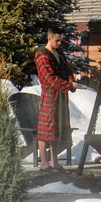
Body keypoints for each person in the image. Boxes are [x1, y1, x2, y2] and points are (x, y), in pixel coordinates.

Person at [33, 27, 80, 170]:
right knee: (45, 129)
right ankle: (44, 163)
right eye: (57, 40)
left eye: (61, 40)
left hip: (60, 95)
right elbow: (49, 78)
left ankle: (54, 162)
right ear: (49, 39)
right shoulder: (42, 56)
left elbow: (66, 70)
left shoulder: (59, 54)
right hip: (49, 95)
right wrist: (69, 84)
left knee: (56, 129)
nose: (60, 43)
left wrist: (72, 80)